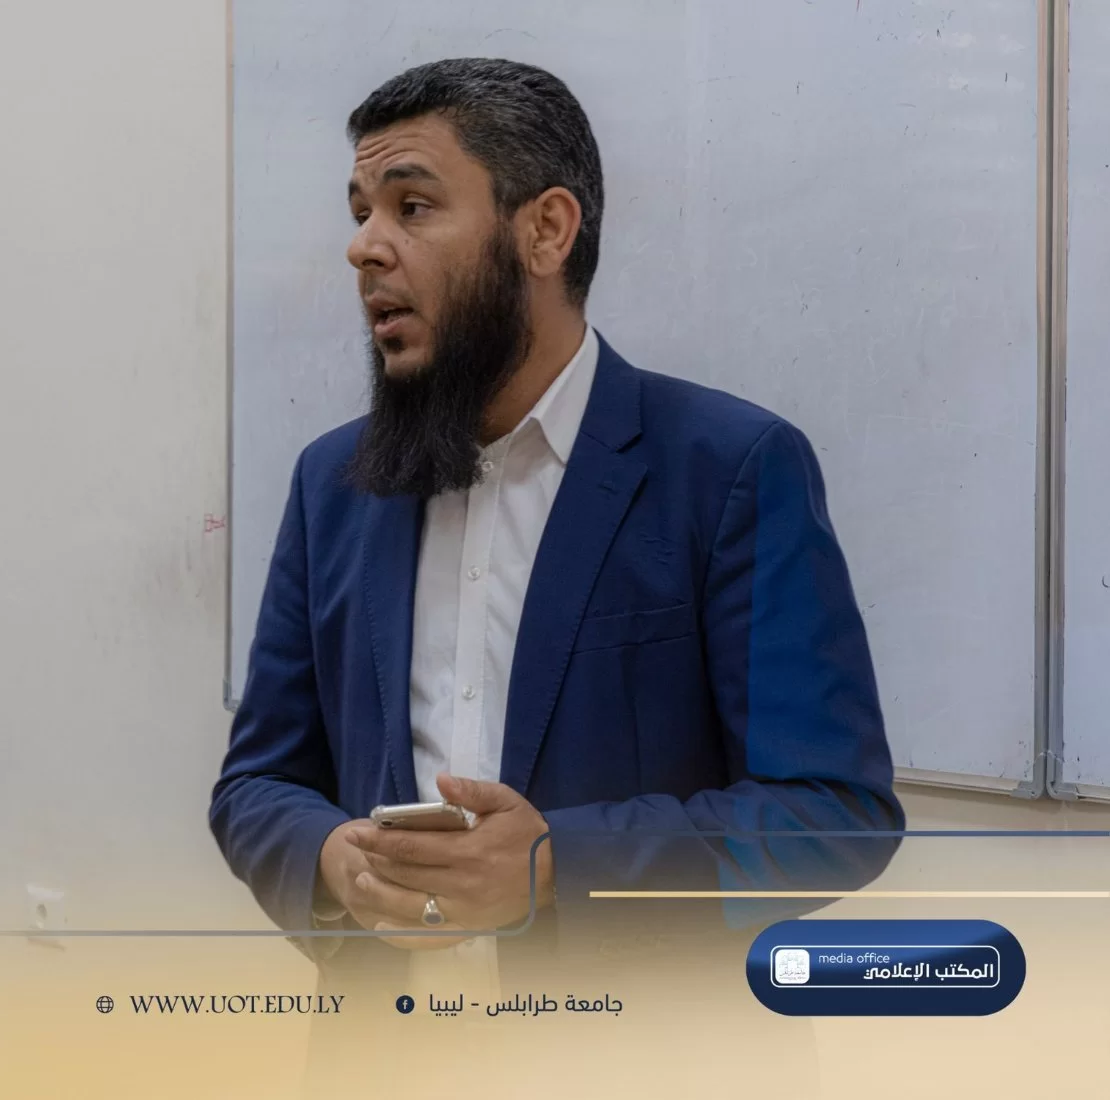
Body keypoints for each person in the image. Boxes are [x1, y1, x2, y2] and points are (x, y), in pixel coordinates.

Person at [209, 57, 902, 1087]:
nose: (364, 247)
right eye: (359, 212)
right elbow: (257, 782)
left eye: (411, 206)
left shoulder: (726, 468)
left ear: (545, 231)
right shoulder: (334, 483)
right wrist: (328, 858)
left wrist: (552, 869)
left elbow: (829, 812)